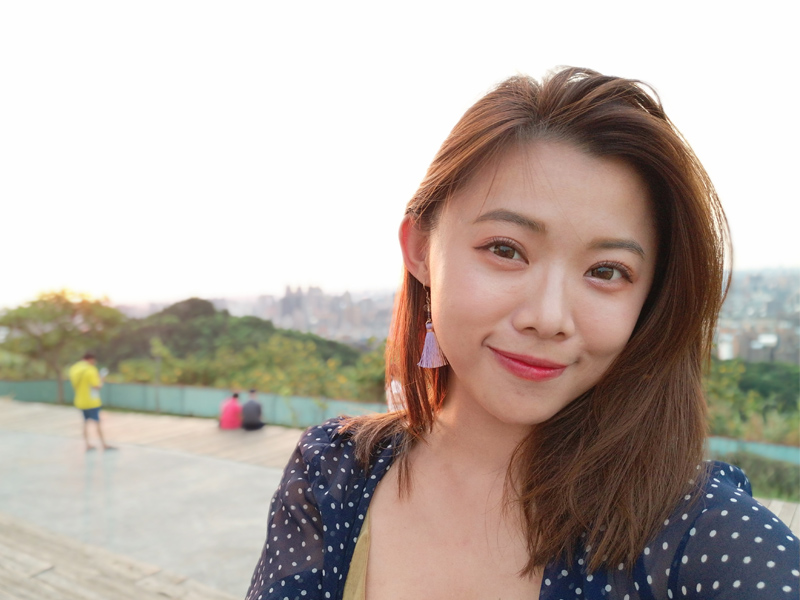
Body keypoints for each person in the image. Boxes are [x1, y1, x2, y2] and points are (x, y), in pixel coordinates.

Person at [246, 68, 800, 600]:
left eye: (606, 271)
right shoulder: (334, 473)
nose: (549, 317)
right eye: (505, 249)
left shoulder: (690, 532)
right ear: (419, 250)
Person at [68, 352, 114, 451]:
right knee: (97, 423)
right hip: (92, 402)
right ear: (91, 359)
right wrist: (102, 379)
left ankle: (87, 444)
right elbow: (97, 386)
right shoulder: (90, 370)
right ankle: (104, 444)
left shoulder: (74, 369)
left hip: (80, 401)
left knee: (85, 423)